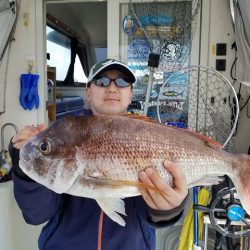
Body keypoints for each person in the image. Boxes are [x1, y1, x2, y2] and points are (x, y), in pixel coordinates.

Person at [9, 59, 188, 250]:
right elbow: (37, 214)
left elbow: (152, 215)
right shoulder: (63, 136)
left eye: (122, 82)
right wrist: (24, 168)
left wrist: (169, 209)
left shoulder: (149, 135)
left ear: (130, 95)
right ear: (88, 92)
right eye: (102, 81)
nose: (112, 88)